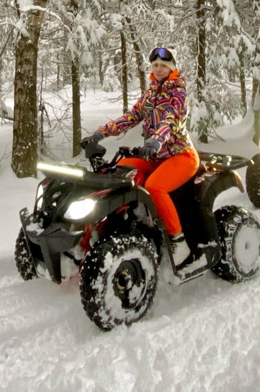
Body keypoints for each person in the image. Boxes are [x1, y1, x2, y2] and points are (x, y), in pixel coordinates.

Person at [80, 46, 199, 267]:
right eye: (155, 65)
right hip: (155, 156)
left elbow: (171, 121)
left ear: (172, 68)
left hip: (180, 155)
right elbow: (132, 117)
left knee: (155, 186)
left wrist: (156, 140)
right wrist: (101, 133)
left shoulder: (179, 93)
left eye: (164, 65)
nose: (159, 69)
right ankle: (123, 223)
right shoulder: (151, 93)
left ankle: (178, 240)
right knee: (120, 171)